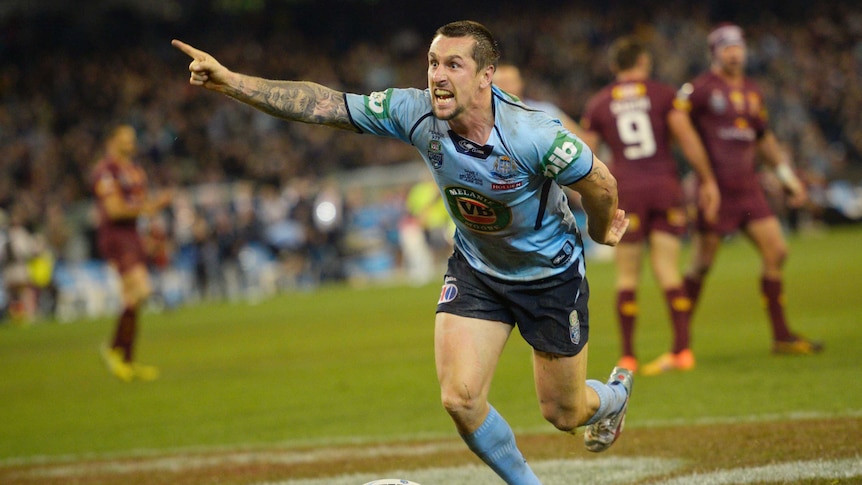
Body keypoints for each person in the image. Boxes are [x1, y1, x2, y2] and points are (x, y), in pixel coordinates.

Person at [173, 20, 633, 484]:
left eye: (454, 64)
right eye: (433, 63)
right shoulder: (413, 111)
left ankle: (613, 397)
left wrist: (598, 230)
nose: (437, 75)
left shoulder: (534, 134)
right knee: (460, 399)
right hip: (478, 270)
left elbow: (600, 182)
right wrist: (231, 82)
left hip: (548, 277)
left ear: (485, 75)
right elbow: (325, 105)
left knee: (565, 412)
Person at [677, 23, 823, 355]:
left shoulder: (754, 92)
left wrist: (788, 181)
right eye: (726, 47)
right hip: (715, 190)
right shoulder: (700, 90)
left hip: (748, 189)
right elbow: (678, 124)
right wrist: (693, 177)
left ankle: (782, 337)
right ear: (715, 52)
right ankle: (681, 345)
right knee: (701, 263)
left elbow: (765, 141)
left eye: (738, 46)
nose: (734, 52)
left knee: (777, 251)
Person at [579, 37, 721, 376]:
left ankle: (628, 356)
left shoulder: (599, 104)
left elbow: (586, 156)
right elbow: (687, 138)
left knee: (627, 275)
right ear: (644, 62)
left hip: (626, 191)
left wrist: (592, 196)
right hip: (664, 186)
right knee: (668, 270)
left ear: (614, 67)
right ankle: (683, 350)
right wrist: (707, 179)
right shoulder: (663, 94)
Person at [92, 124, 172, 381]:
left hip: (133, 236)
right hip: (116, 236)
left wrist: (151, 228)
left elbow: (141, 207)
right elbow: (115, 210)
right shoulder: (106, 171)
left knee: (132, 298)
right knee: (141, 290)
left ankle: (125, 358)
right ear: (111, 141)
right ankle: (114, 349)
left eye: (132, 139)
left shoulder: (135, 171)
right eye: (125, 140)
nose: (130, 144)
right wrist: (148, 209)